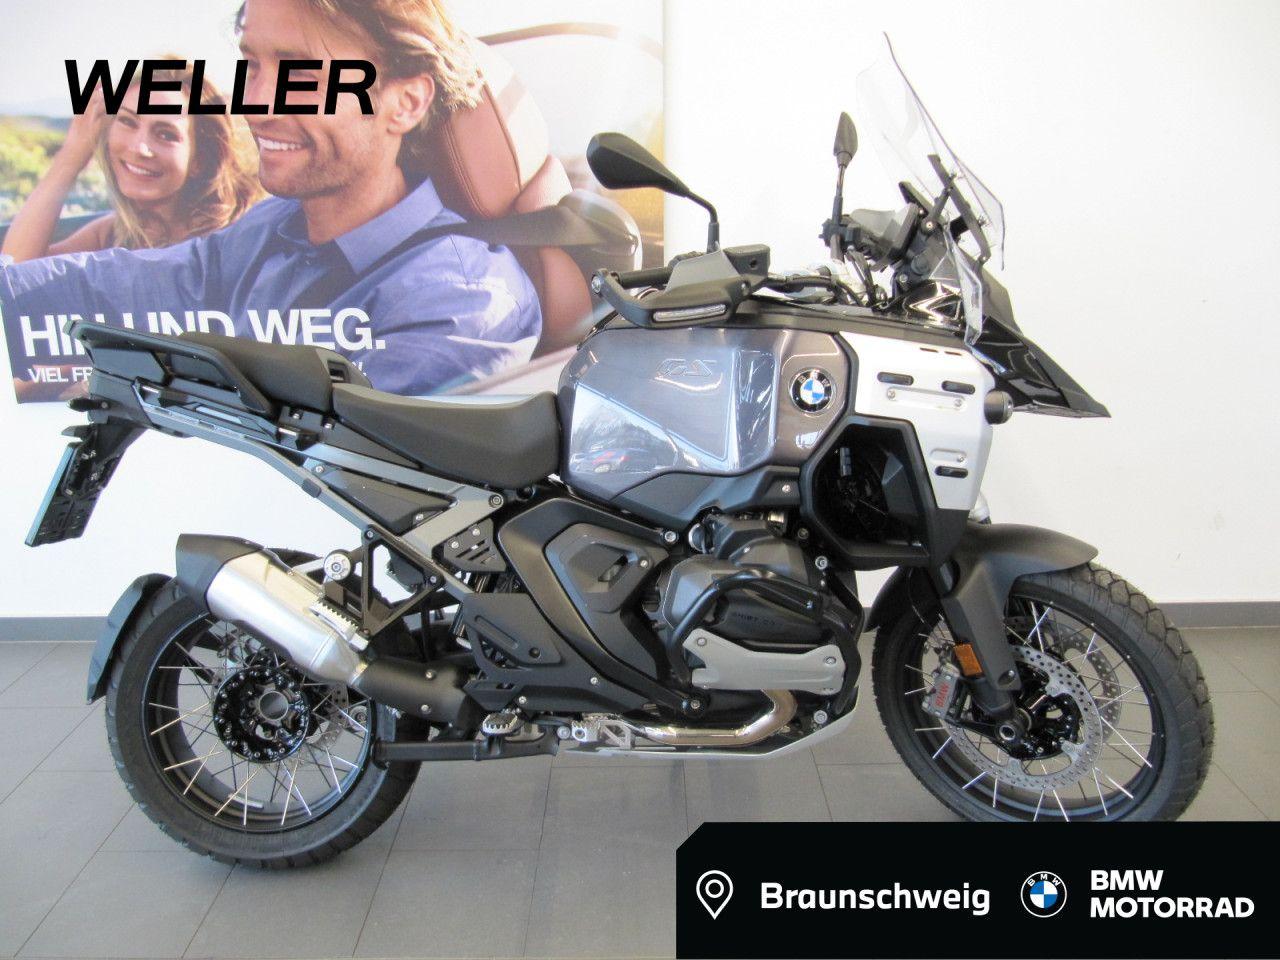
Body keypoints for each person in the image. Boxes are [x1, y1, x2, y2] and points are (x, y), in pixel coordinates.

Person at [1, 0, 542, 399]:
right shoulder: (274, 228)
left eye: (300, 73)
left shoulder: (460, 304)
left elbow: (335, 476)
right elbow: (126, 284)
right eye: (253, 67)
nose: (256, 104)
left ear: (404, 103)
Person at [1, 62, 262, 263]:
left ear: (200, 161)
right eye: (127, 121)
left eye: (165, 134)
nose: (139, 148)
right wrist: (70, 158)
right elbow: (15, 274)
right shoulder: (112, 234)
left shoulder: (237, 235)